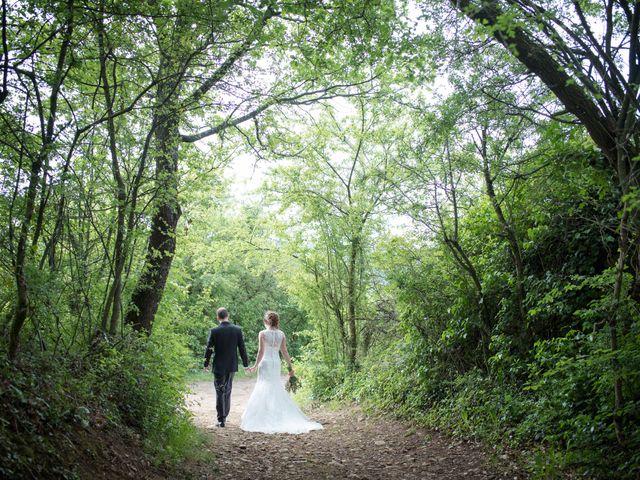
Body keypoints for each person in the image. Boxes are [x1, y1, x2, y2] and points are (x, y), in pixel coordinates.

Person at [240, 310, 323, 434]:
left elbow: (261, 352)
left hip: (266, 362)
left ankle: (263, 415)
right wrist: (290, 368)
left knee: (263, 386)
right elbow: (284, 351)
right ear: (276, 321)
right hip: (276, 363)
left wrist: (255, 366)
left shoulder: (262, 333)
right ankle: (278, 414)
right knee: (275, 386)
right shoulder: (281, 334)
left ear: (266, 321)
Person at [203, 307, 249, 427]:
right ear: (227, 315)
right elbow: (242, 348)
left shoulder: (214, 331)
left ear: (218, 317)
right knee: (227, 390)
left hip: (219, 364)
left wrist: (205, 363)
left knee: (219, 391)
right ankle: (224, 416)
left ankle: (221, 419)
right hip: (231, 364)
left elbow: (209, 349)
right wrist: (245, 364)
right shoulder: (237, 330)